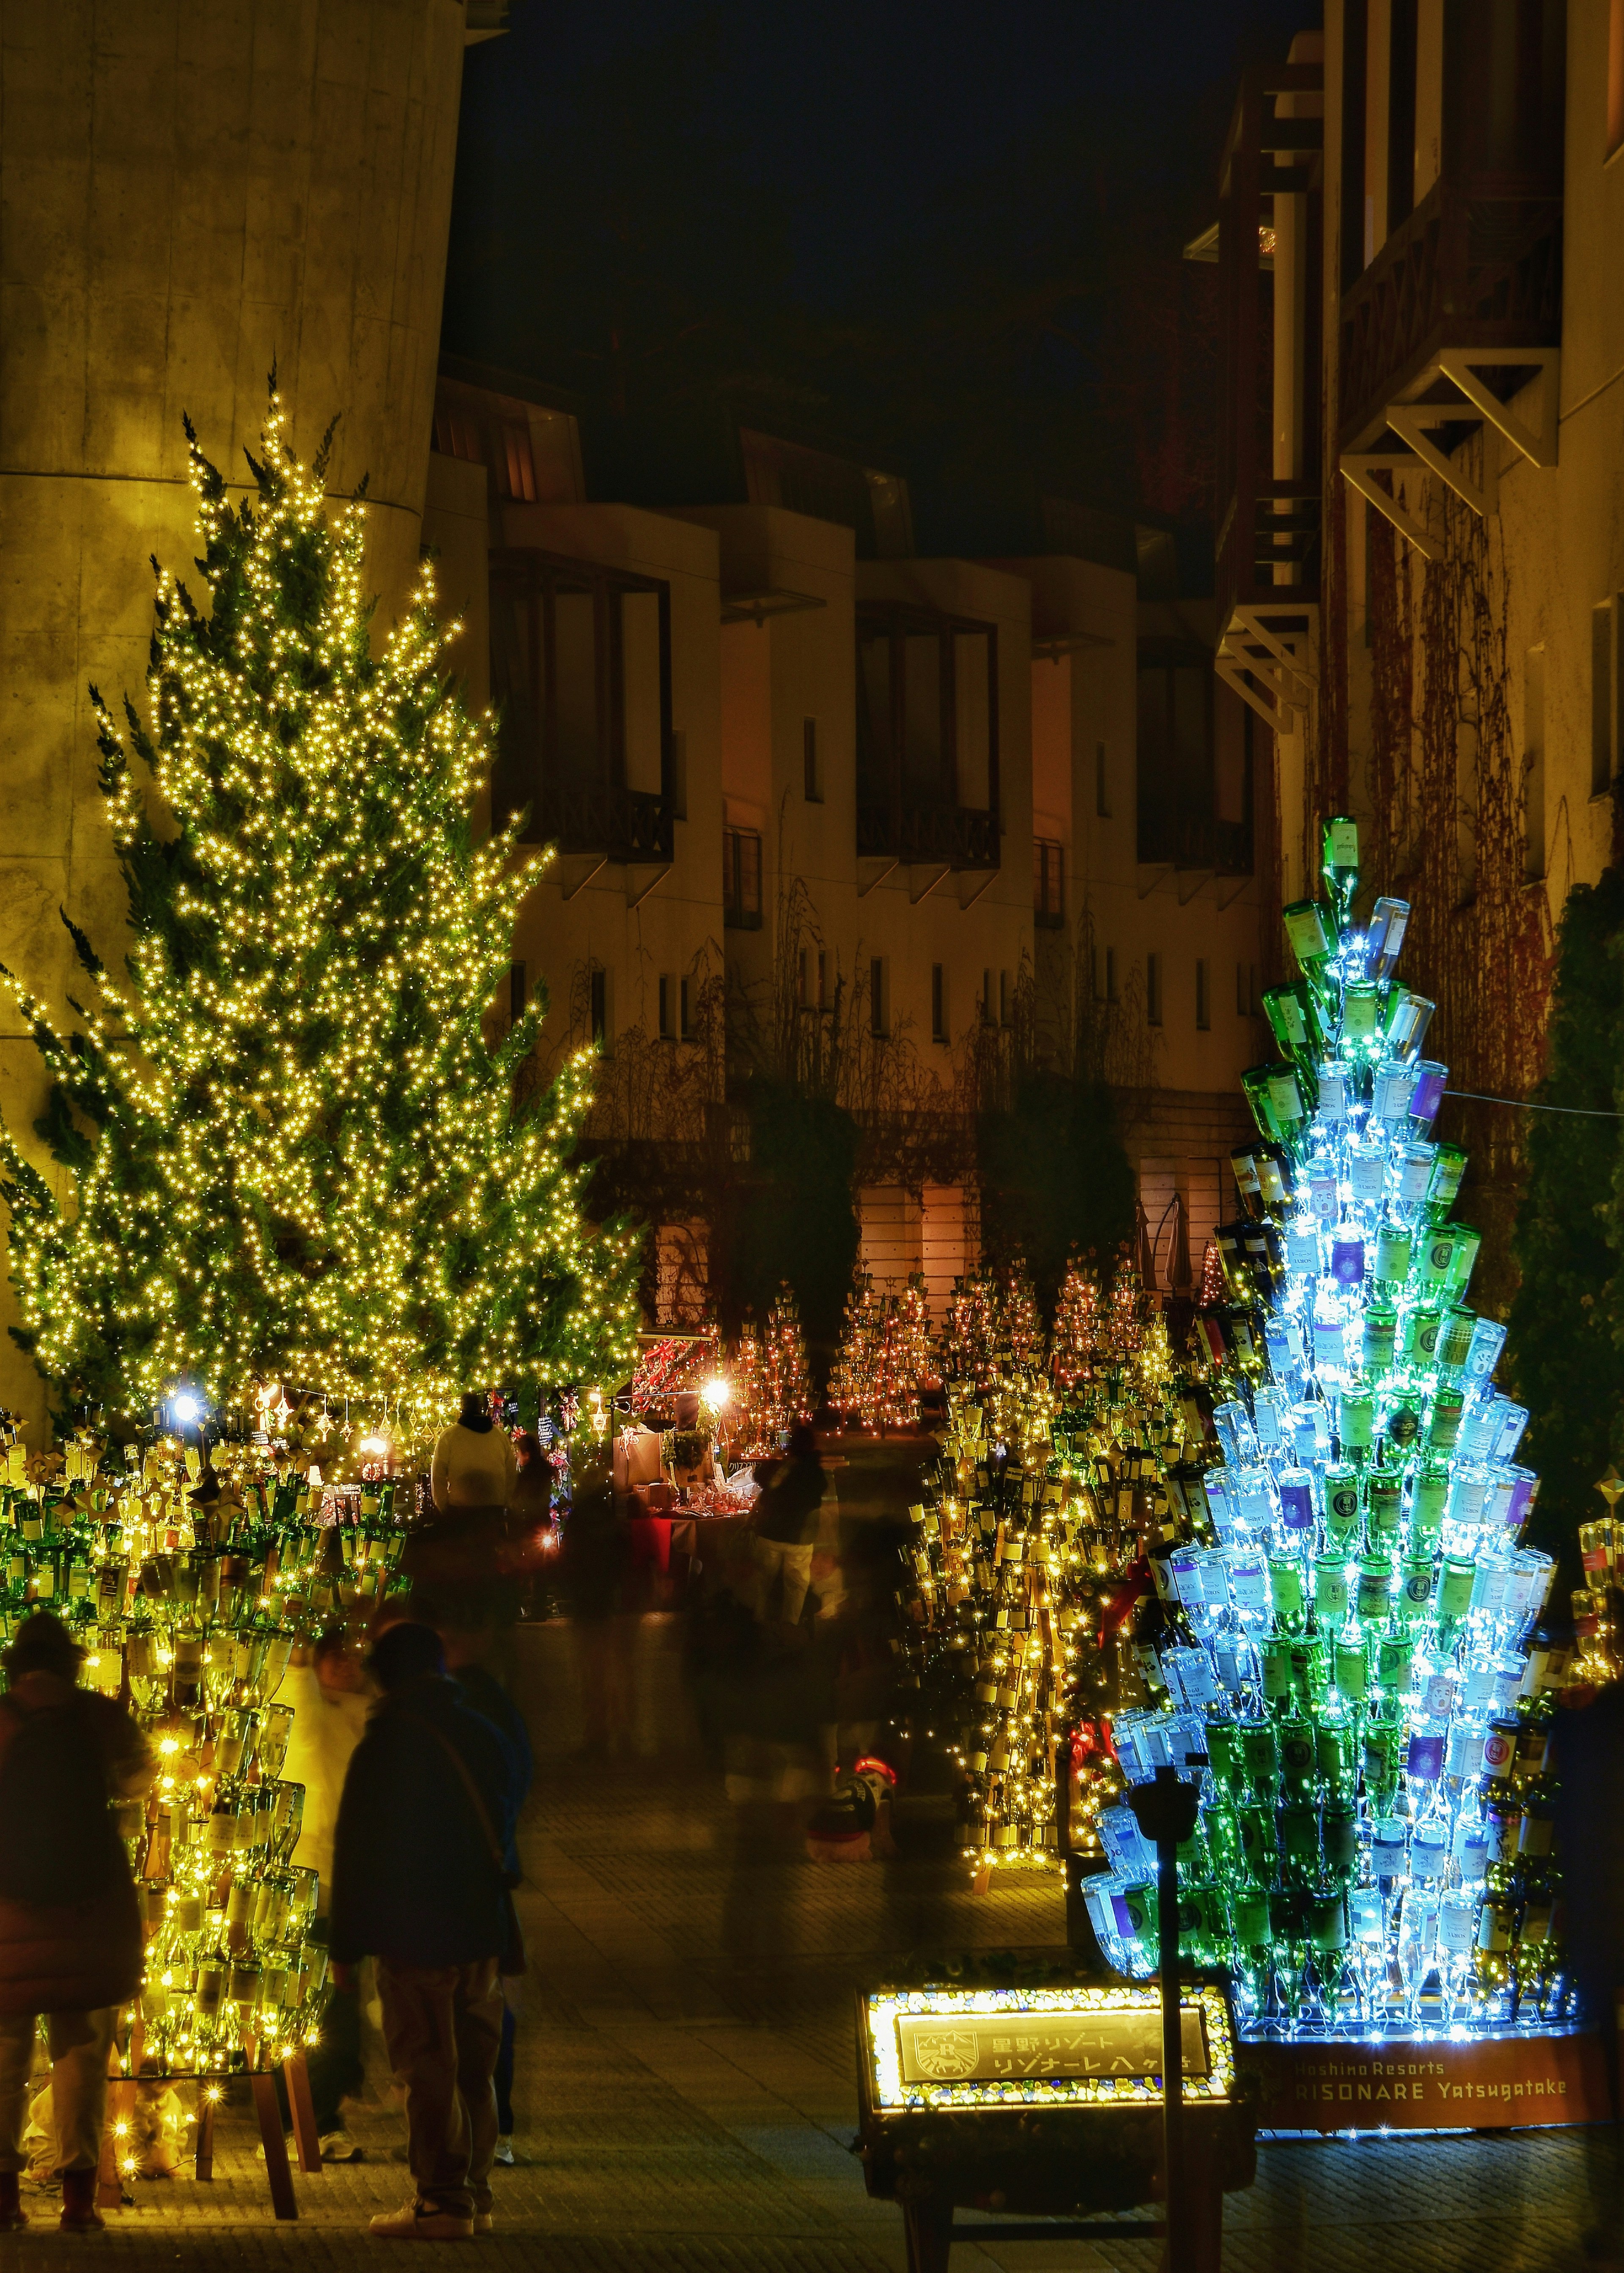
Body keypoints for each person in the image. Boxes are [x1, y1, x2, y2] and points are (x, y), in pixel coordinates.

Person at [329, 1620, 521, 2241]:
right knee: (476, 2065)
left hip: (416, 1928)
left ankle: (441, 2199)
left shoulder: (385, 1745)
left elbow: (357, 1852)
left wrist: (346, 1949)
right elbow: (508, 1811)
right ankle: (477, 2191)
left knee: (427, 2062)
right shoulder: (482, 1731)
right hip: (481, 1925)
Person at [0, 1611, 155, 2233]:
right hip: (92, 1912)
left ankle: (5, 2201)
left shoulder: (2, 1718)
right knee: (82, 2061)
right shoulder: (99, 1716)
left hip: (7, 1914)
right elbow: (141, 1778)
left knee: (5, 2062)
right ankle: (79, 2201)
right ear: (71, 1661)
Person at [440, 1625, 533, 2168]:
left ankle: (476, 2135)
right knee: (488, 2008)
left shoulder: (464, 1712)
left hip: (462, 1885)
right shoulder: (496, 1709)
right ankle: (494, 2131)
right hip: (492, 1882)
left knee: (467, 2013)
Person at [277, 1626, 370, 2161]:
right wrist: (297, 1663)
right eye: (332, 1652)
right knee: (324, 2006)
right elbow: (303, 1712)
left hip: (355, 1880)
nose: (344, 1661)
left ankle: (321, 2111)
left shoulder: (372, 1715)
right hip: (311, 1877)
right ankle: (310, 2120)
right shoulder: (309, 1711)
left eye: (354, 1652)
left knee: (345, 2004)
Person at [747, 1423, 826, 1626]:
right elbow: (819, 1492)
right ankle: (789, 1626)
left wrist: (778, 1455)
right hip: (801, 1537)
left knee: (763, 1581)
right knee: (797, 1585)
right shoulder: (815, 1472)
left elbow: (760, 1476)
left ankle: (758, 1621)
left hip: (771, 1533)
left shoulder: (782, 1466)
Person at [430, 1392, 517, 1514]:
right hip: (494, 1511)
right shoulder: (500, 1436)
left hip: (460, 1511)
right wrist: (505, 1503)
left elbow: (437, 1476)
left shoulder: (449, 1436)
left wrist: (444, 1506)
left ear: (462, 1410)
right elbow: (512, 1475)